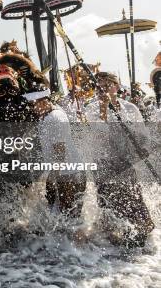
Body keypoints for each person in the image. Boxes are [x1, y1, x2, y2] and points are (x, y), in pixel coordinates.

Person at [84, 72, 155, 247]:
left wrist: (143, 149)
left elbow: (143, 135)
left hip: (125, 162)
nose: (103, 89)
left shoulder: (130, 108)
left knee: (136, 204)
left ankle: (143, 239)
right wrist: (103, 108)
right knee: (108, 207)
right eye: (99, 86)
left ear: (116, 86)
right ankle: (110, 246)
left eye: (107, 85)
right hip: (103, 163)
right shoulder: (91, 108)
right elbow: (100, 134)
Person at [25, 84, 85, 217]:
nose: (31, 108)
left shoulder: (54, 118)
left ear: (43, 101)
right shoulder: (47, 116)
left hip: (68, 173)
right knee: (60, 215)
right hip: (65, 172)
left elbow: (60, 150)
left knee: (68, 217)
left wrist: (53, 176)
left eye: (33, 104)